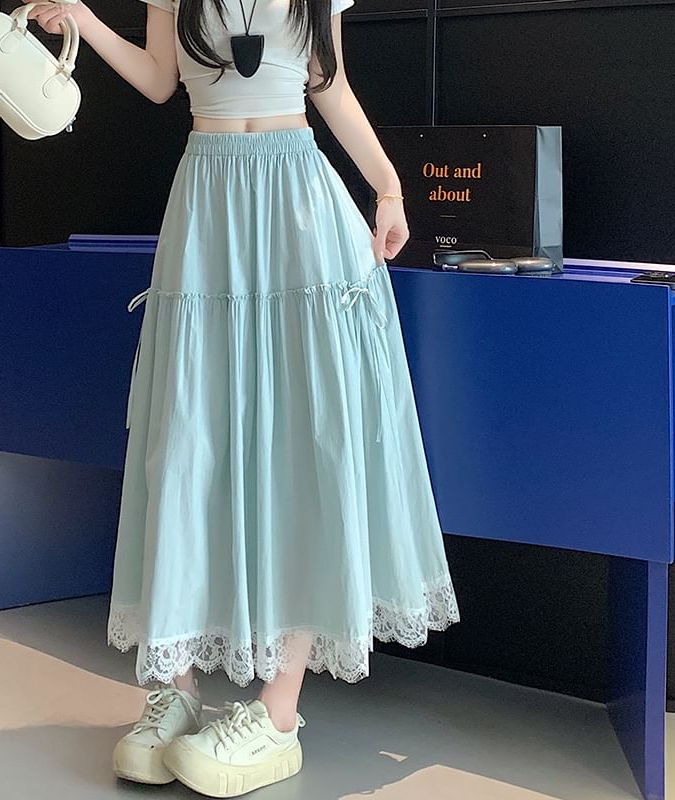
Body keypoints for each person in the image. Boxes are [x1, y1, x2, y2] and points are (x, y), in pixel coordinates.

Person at [25, 0, 461, 795]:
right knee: (187, 439)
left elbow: (328, 84)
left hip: (300, 205)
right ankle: (178, 690)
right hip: (208, 201)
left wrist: (389, 187)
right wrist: (83, 17)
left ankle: (278, 712)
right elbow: (160, 79)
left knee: (305, 444)